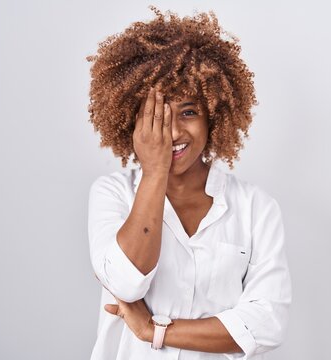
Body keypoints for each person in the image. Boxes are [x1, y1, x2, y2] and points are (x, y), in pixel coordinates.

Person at [85, 6, 292, 360]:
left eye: (189, 111)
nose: (174, 131)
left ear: (215, 117)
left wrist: (154, 330)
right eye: (157, 115)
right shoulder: (112, 194)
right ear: (132, 122)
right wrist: (154, 172)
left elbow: (267, 324)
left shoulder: (256, 208)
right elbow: (125, 282)